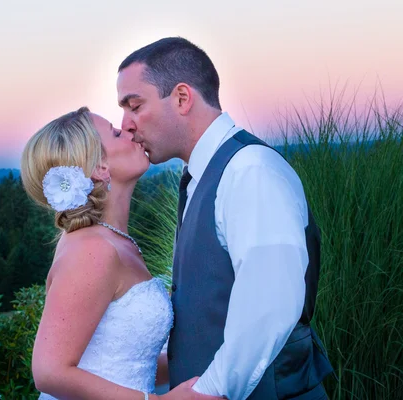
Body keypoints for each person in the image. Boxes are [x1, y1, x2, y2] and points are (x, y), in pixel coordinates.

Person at [116, 37, 334, 400]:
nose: (126, 125)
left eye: (135, 106)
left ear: (182, 98)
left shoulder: (250, 171)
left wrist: (207, 391)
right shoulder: (203, 178)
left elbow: (270, 307)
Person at [21, 107, 223, 400]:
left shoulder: (114, 241)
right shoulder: (92, 251)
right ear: (99, 168)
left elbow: (126, 363)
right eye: (116, 132)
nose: (129, 130)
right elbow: (49, 371)